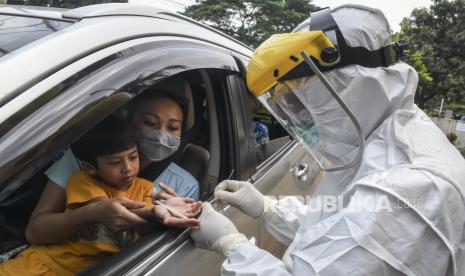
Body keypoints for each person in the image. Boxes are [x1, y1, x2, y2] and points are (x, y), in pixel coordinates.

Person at [191, 5, 465, 276]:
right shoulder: (387, 140)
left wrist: (230, 244)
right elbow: (345, 238)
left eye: (300, 102)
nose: (299, 118)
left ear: (348, 83)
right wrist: (269, 211)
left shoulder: (409, 186)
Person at [0, 116, 201, 275]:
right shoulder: (83, 181)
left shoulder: (146, 188)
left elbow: (144, 226)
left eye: (133, 157)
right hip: (43, 266)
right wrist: (152, 211)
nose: (128, 168)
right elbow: (108, 207)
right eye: (114, 163)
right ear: (91, 168)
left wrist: (163, 211)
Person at [26, 80, 200, 245]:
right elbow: (35, 232)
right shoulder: (83, 158)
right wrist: (90, 214)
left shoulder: (183, 185)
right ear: (129, 121)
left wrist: (166, 217)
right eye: (150, 122)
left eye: (173, 127)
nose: (161, 134)